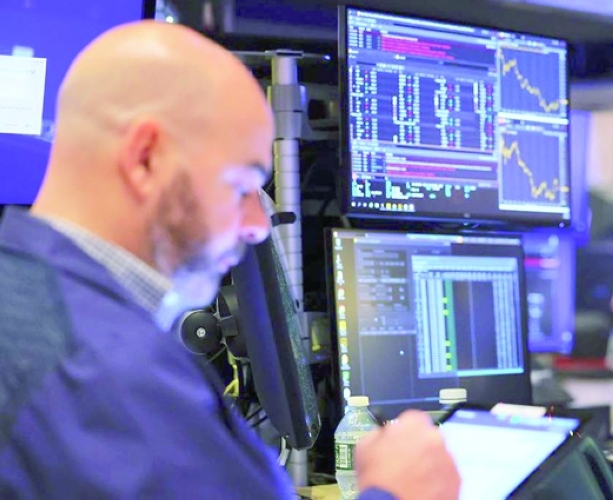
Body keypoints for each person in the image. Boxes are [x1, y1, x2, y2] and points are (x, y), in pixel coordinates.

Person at [0, 21, 459, 500]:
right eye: (241, 186)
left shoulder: (25, 303)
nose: (257, 225)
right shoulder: (113, 378)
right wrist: (397, 491)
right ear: (146, 159)